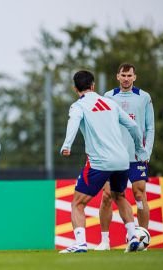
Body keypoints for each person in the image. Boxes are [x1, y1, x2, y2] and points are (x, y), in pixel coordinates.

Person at [58, 70, 148, 253]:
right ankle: (132, 236)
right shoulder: (110, 103)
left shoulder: (78, 106)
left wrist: (66, 145)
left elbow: (73, 123)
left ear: (75, 88)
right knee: (119, 195)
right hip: (123, 160)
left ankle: (81, 243)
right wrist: (139, 149)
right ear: (93, 86)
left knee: (78, 203)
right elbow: (133, 125)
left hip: (100, 162)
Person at [95, 63, 155, 251]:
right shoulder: (108, 97)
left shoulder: (144, 97)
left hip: (136, 156)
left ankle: (142, 239)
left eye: (130, 75)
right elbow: (102, 125)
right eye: (123, 75)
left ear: (134, 77)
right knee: (106, 196)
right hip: (113, 156)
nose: (126, 78)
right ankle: (105, 241)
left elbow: (150, 127)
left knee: (139, 193)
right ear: (117, 77)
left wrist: (147, 151)